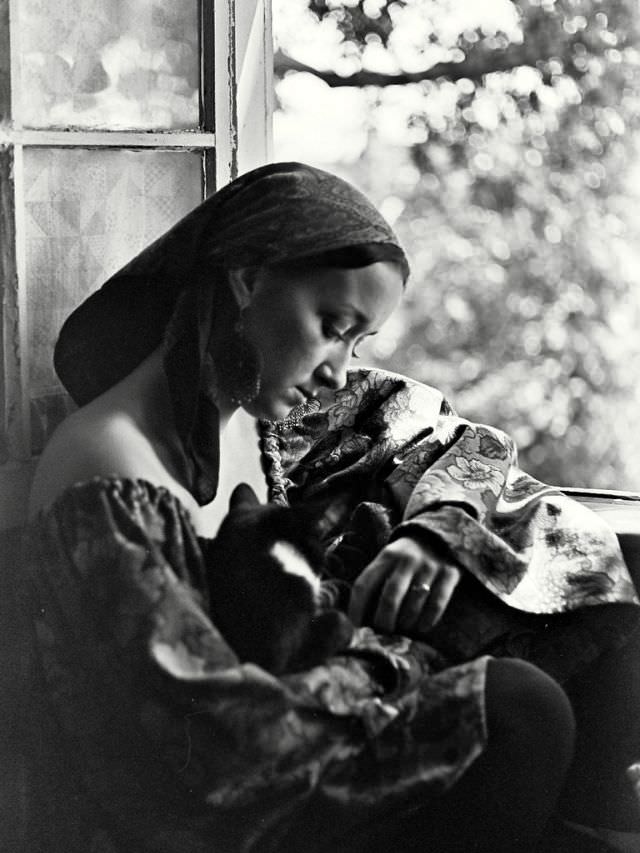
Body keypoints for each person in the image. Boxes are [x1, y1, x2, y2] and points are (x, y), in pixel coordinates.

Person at [21, 161, 639, 853]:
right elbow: (214, 747)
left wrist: (438, 530)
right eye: (332, 325)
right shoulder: (107, 471)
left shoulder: (264, 421)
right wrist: (399, 662)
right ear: (245, 279)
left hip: (303, 757)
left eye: (358, 341)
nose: (339, 371)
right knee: (520, 709)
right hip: (221, 812)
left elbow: (466, 444)